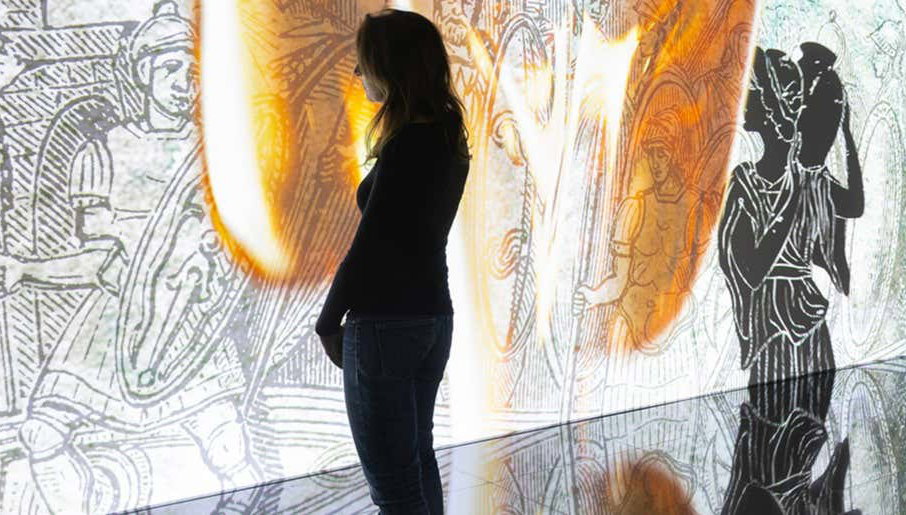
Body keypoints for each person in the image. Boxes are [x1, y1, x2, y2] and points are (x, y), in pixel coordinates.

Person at [0, 2, 261, 513]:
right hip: (113, 325)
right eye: (170, 69)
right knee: (42, 435)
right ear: (144, 74)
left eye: (193, 71)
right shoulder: (104, 152)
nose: (184, 83)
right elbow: (101, 259)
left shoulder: (217, 150)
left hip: (186, 313)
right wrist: (28, 270)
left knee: (227, 443)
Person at [314, 9, 470, 515]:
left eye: (364, 62)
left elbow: (371, 246)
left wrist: (327, 320)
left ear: (390, 67)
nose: (357, 72)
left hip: (385, 326)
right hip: (432, 318)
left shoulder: (407, 146)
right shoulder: (447, 137)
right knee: (418, 462)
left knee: (396, 490)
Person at [572, 107, 718, 352]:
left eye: (662, 153)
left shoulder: (697, 208)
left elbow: (707, 281)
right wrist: (593, 296)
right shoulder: (634, 209)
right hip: (629, 328)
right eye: (651, 154)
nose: (655, 162)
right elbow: (619, 281)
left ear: (675, 154)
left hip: (676, 335)